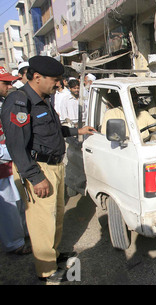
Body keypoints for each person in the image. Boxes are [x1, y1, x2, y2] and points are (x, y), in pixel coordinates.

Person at [0, 55, 96, 283]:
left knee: (56, 216)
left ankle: (52, 256)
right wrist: (35, 177)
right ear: (37, 77)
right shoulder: (20, 101)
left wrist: (77, 132)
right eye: (55, 80)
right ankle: (46, 270)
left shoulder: (43, 99)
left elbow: (50, 132)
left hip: (54, 165)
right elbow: (16, 146)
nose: (59, 84)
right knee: (42, 221)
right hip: (38, 169)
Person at [0, 66, 31, 256]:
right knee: (8, 208)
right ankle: (14, 243)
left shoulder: (4, 101)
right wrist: (14, 150)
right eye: (5, 83)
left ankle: (22, 235)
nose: (9, 86)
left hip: (12, 163)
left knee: (19, 202)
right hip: (3, 163)